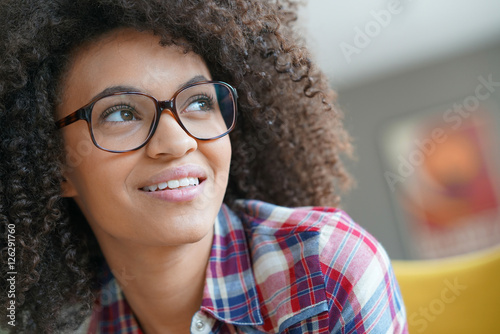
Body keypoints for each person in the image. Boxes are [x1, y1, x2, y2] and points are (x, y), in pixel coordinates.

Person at [0, 0, 407, 333]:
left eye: (198, 102)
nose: (179, 142)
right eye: (122, 113)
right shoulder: (86, 324)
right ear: (56, 167)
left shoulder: (327, 275)